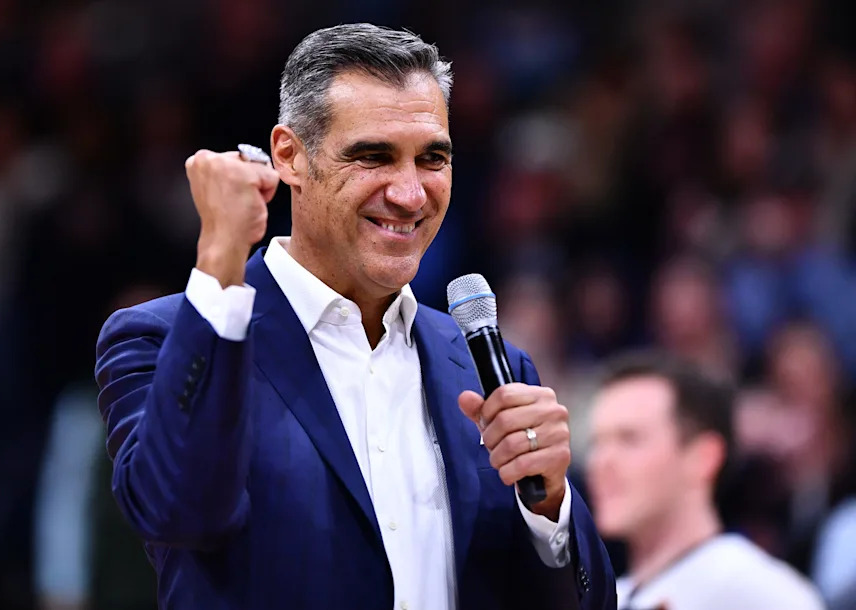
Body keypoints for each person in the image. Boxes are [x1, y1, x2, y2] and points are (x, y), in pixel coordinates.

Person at [95, 23, 615, 610]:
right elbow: (180, 513)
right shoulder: (165, 340)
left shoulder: (490, 367)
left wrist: (549, 511)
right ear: (290, 156)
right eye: (374, 157)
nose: (411, 194)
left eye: (432, 159)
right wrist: (221, 257)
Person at [586, 351, 824, 610]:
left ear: (703, 458)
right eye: (597, 443)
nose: (601, 462)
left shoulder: (764, 594)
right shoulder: (605, 599)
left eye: (629, 439)